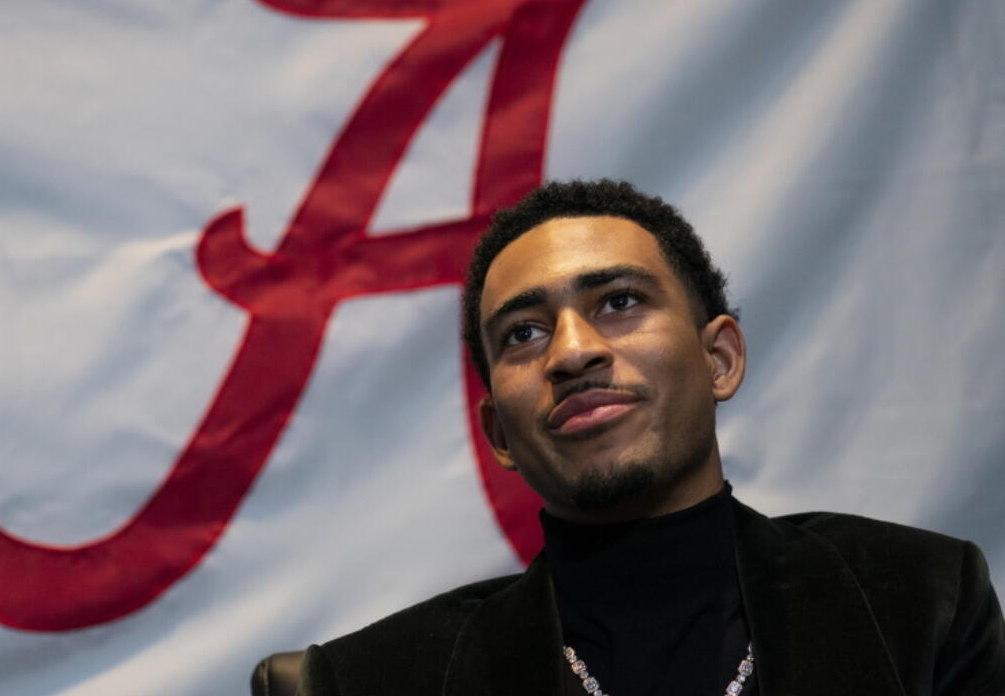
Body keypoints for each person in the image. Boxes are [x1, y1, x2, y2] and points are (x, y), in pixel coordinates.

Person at [294, 179, 1005, 696]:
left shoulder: (920, 601)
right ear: (498, 433)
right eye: (524, 332)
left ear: (719, 359)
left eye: (620, 301)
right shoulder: (366, 681)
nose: (572, 352)